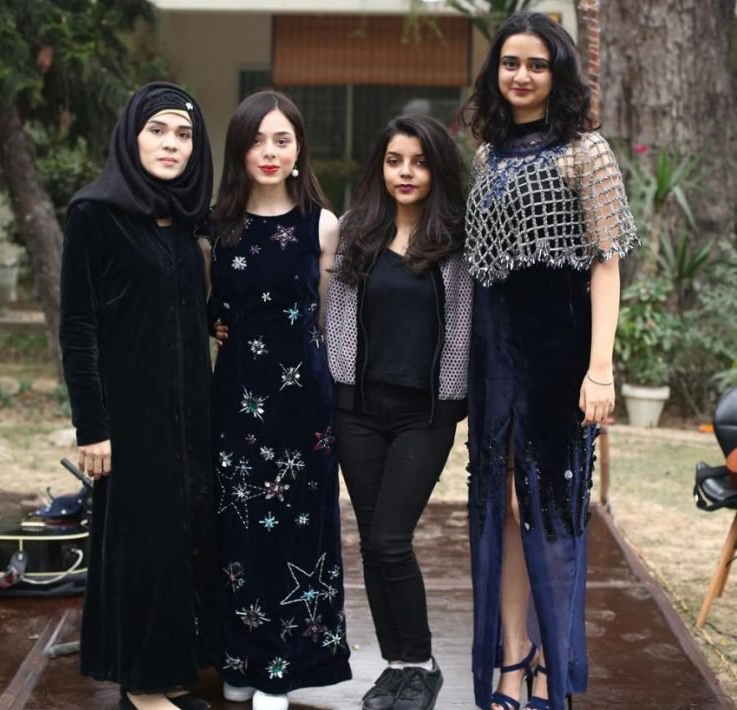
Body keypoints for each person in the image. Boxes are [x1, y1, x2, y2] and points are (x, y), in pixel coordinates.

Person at [461, 12, 638, 710]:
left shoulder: (585, 152)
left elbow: (606, 263)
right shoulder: (486, 155)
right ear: (496, 71)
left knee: (549, 514)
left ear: (557, 72)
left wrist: (601, 368)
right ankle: (513, 659)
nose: (522, 75)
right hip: (494, 357)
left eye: (537, 64)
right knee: (503, 511)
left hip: (558, 357)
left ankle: (550, 668)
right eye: (511, 62)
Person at [60, 82, 217, 710]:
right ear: (132, 136)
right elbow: (78, 328)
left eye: (184, 134)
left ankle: (169, 673)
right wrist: (92, 426)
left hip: (190, 414)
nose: (171, 144)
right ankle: (143, 687)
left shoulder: (185, 222)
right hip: (130, 418)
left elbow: (181, 309)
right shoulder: (94, 215)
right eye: (158, 130)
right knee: (142, 548)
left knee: (181, 544)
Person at [207, 90, 351, 710]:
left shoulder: (322, 224)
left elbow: (327, 320)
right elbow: (207, 307)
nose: (269, 152)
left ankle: (281, 670)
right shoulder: (216, 226)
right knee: (238, 533)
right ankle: (240, 657)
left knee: (298, 535)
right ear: (239, 150)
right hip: (236, 403)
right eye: (257, 140)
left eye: (282, 140)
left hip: (302, 410)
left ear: (298, 150)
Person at [326, 114, 473, 710]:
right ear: (380, 167)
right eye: (394, 161)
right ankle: (397, 666)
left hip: (424, 415)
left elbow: (465, 324)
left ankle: (421, 663)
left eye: (418, 162)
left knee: (391, 539)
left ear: (437, 170)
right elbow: (332, 313)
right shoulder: (355, 231)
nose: (405, 173)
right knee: (371, 542)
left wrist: (455, 402)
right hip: (357, 410)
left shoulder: (458, 241)